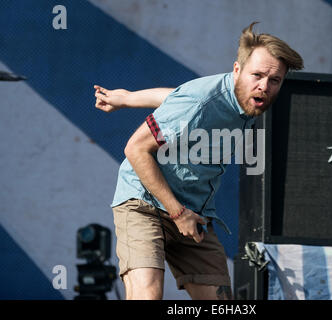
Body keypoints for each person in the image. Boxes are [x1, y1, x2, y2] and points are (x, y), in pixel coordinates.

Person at [94, 22, 303, 300]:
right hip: (143, 203)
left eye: (274, 80)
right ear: (237, 70)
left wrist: (128, 98)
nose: (264, 86)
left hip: (193, 214)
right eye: (257, 75)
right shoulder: (202, 100)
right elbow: (135, 149)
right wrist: (177, 213)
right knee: (148, 294)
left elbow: (176, 97)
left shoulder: (242, 103)